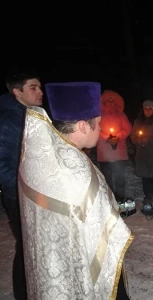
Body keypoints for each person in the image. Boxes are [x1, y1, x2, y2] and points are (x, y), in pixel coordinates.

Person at [17, 82, 133, 299]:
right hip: (79, 270)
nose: (100, 129)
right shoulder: (76, 171)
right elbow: (106, 234)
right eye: (97, 124)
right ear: (82, 126)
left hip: (50, 267)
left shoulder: (42, 154)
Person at [0, 70, 43, 300]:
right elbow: (3, 167)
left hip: (36, 194)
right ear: (17, 92)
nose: (40, 92)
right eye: (33, 88)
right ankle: (23, 294)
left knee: (35, 247)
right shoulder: (7, 121)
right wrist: (24, 189)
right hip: (20, 197)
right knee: (27, 249)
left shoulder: (33, 114)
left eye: (40, 86)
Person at [97, 90, 132, 202]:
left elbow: (128, 128)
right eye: (108, 101)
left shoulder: (121, 114)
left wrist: (118, 137)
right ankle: (109, 200)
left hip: (119, 153)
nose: (110, 103)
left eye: (112, 101)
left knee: (120, 177)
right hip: (104, 153)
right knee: (107, 178)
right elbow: (95, 129)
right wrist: (107, 138)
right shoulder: (99, 115)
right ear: (104, 102)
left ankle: (121, 198)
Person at [130, 100, 153, 202]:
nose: (147, 111)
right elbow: (133, 136)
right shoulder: (138, 121)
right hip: (142, 154)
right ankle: (147, 196)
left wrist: (150, 140)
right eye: (145, 108)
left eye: (150, 109)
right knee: (145, 177)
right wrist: (139, 140)